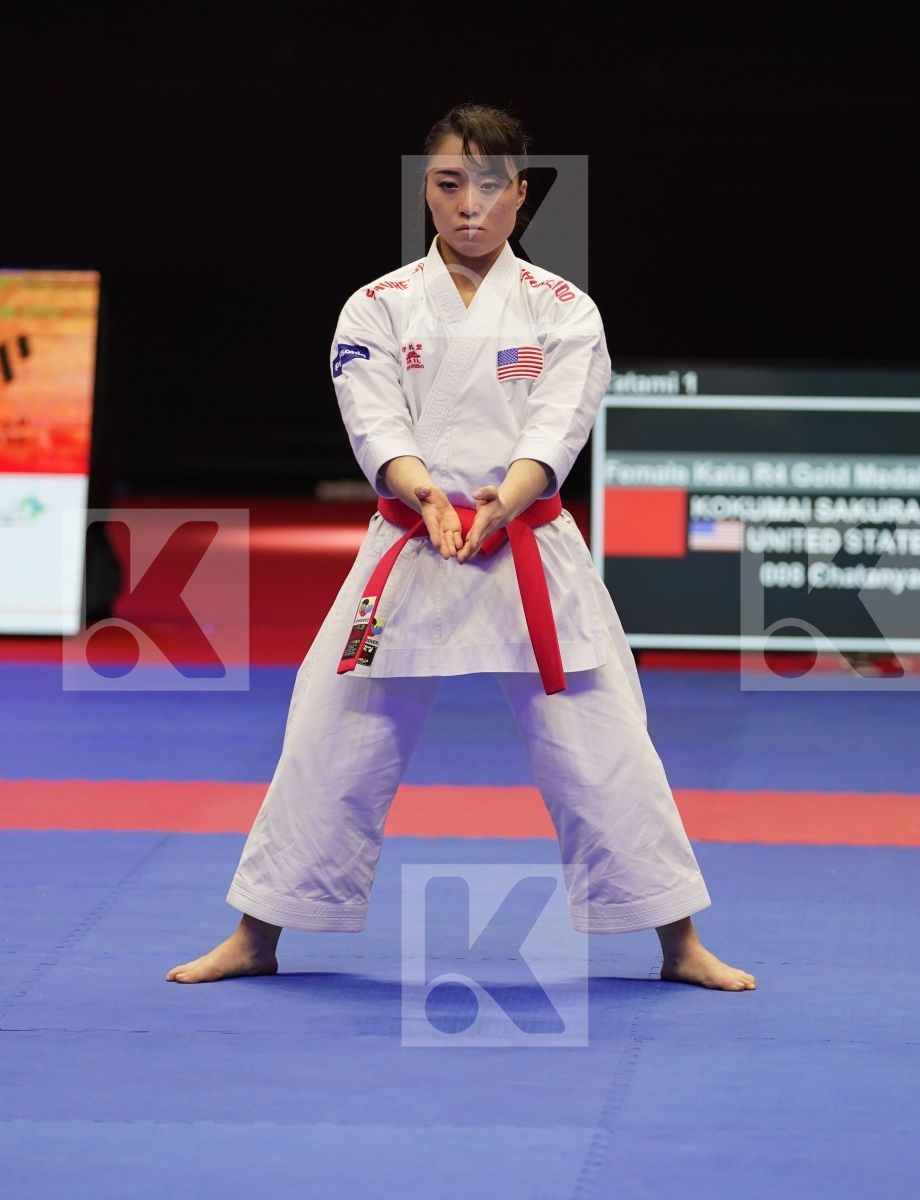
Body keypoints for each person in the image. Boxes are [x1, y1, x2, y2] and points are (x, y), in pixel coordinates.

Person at [168, 102, 754, 992]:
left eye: (489, 187)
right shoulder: (377, 305)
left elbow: (560, 426)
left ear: (521, 196)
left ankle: (679, 944)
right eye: (449, 185)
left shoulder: (566, 311)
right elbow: (373, 422)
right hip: (412, 545)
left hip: (527, 546)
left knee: (605, 744)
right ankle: (258, 933)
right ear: (425, 191)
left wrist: (500, 500)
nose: (468, 206)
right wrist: (425, 494)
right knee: (329, 733)